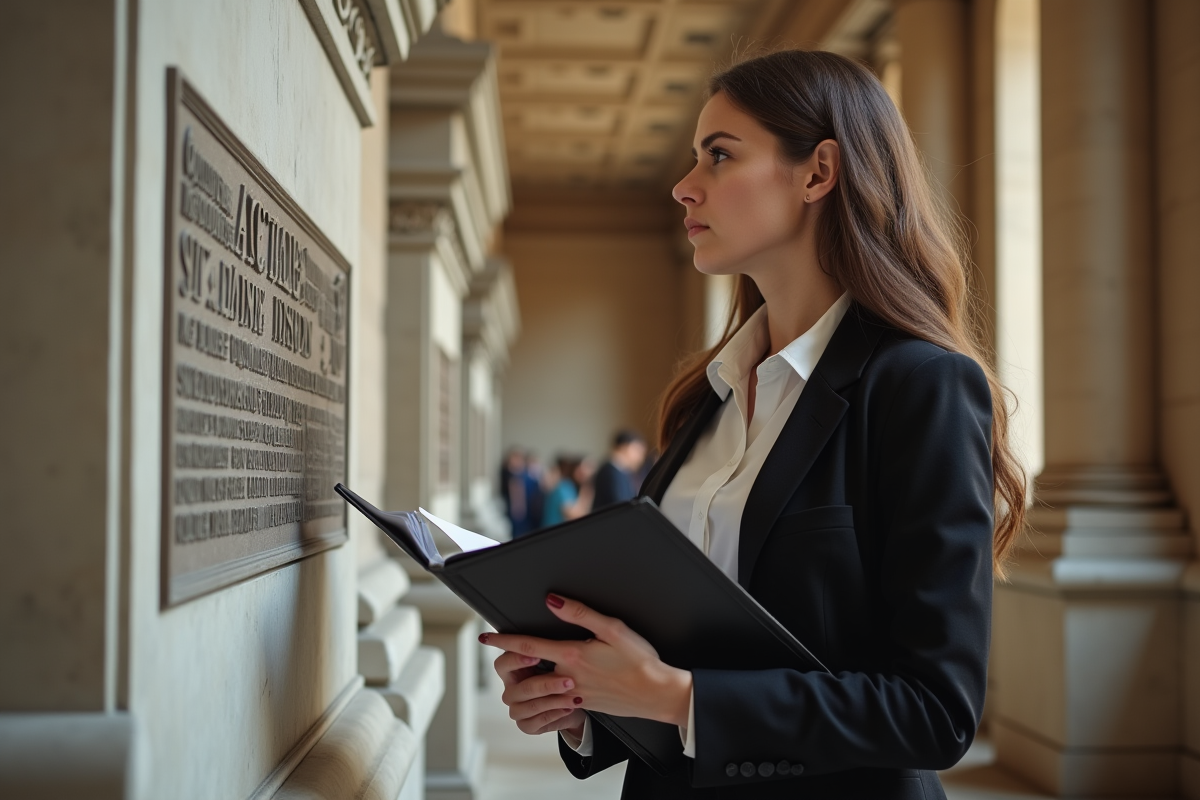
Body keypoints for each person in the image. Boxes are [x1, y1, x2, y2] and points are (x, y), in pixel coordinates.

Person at [481, 48, 1026, 800]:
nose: (684, 186)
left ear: (817, 173)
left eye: (719, 155)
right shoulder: (702, 397)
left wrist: (677, 699)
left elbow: (935, 710)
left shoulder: (921, 387)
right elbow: (676, 654)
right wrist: (580, 699)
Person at [591, 430, 648, 510]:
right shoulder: (609, 472)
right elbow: (620, 506)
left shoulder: (623, 472)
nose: (640, 458)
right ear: (624, 447)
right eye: (638, 451)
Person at [540, 455, 594, 528]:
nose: (586, 473)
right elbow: (573, 515)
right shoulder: (564, 487)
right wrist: (586, 493)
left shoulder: (568, 487)